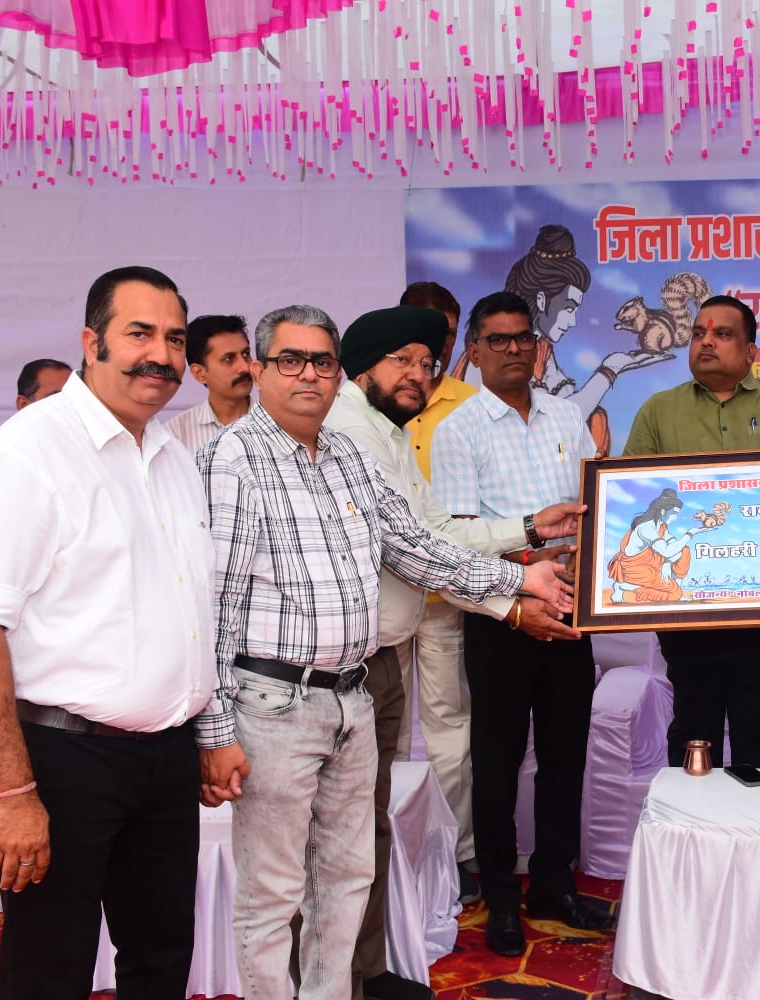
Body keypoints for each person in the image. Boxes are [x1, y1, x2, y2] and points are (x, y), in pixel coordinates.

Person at [194, 304, 572, 1000]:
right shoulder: (231, 459)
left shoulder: (347, 457)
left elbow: (415, 547)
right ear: (259, 368)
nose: (308, 375)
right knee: (273, 895)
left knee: (345, 882)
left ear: (339, 371)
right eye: (290, 360)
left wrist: (519, 580)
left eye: (321, 361)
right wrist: (215, 729)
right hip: (272, 704)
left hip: (352, 696)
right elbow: (213, 604)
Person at [0, 266, 212, 998]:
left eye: (174, 338)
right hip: (60, 763)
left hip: (167, 759)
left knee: (161, 961)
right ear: (92, 343)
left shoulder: (171, 457)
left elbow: (187, 611)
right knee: (50, 971)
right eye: (139, 334)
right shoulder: (25, 455)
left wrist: (208, 732)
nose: (160, 355)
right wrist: (11, 793)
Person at [324, 304, 585, 997]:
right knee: (348, 830)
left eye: (427, 362)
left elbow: (436, 529)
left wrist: (531, 525)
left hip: (379, 657)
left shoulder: (385, 431)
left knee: (366, 824)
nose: (420, 375)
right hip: (348, 665)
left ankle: (366, 973)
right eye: (403, 361)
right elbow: (414, 550)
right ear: (363, 366)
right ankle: (347, 976)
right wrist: (512, 598)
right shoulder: (351, 435)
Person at [431, 291, 613, 957]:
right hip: (501, 614)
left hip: (570, 607)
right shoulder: (459, 431)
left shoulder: (567, 415)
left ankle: (554, 885)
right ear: (474, 351)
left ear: (538, 347)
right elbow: (457, 537)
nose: (512, 350)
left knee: (566, 755)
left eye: (522, 338)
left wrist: (579, 567)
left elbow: (595, 508)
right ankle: (503, 896)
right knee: (497, 763)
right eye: (498, 340)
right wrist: (529, 565)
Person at [623, 294, 760, 769]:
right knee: (693, 729)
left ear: (751, 351)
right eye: (698, 334)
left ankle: (757, 817)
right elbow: (632, 499)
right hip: (685, 608)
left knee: (759, 730)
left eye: (722, 334)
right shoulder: (659, 411)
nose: (706, 342)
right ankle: (691, 816)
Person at [394, 282, 485, 903]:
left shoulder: (472, 405)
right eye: (426, 330)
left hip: (448, 596)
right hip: (383, 594)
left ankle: (458, 855)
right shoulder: (373, 401)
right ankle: (394, 854)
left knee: (450, 728)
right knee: (386, 730)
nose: (437, 344)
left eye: (447, 333)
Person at [502, 223, 669, 455]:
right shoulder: (498, 357)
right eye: (569, 308)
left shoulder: (543, 351)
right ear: (541, 300)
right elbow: (556, 423)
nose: (572, 321)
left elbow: (565, 417)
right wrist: (609, 370)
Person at [606, 487, 721, 603]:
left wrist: (667, 563)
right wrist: (691, 533)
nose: (675, 518)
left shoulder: (661, 526)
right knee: (674, 594)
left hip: (650, 562)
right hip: (635, 568)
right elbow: (667, 551)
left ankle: (676, 589)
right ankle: (624, 586)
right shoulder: (646, 528)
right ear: (662, 511)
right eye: (674, 513)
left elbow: (676, 547)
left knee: (684, 550)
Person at [165, 313, 254, 454]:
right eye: (229, 359)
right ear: (199, 374)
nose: (244, 367)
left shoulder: (280, 423)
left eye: (246, 354)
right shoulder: (175, 435)